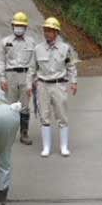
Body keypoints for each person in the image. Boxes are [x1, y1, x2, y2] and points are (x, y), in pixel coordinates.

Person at [27, 17, 78, 157]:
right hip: (42, 85)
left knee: (62, 116)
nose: (47, 33)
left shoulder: (65, 48)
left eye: (50, 31)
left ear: (56, 32)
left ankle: (64, 147)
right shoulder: (38, 49)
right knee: (44, 116)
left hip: (58, 85)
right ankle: (46, 147)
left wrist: (73, 82)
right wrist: (29, 85)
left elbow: (71, 66)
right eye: (45, 30)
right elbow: (32, 68)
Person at [0, 12, 36, 145]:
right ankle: (8, 134)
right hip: (10, 76)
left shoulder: (31, 42)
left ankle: (24, 133)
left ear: (25, 27)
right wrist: (2, 78)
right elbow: (1, 60)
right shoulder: (5, 42)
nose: (18, 28)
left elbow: (33, 62)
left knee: (25, 106)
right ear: (12, 25)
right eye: (16, 25)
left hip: (26, 76)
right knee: (10, 105)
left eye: (21, 25)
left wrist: (32, 80)